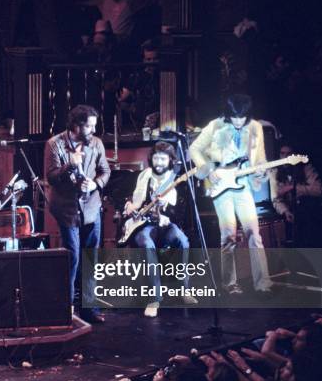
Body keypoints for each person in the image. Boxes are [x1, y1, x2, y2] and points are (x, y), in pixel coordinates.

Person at [189, 94, 273, 294]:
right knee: (228, 235)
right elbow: (194, 149)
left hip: (243, 183)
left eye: (242, 117)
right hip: (221, 186)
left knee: (254, 232)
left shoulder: (256, 128)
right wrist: (209, 170)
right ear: (228, 114)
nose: (238, 121)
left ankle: (263, 282)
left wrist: (262, 168)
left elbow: (259, 158)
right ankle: (229, 283)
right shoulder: (215, 126)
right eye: (234, 117)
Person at [45, 104, 111, 324]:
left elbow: (105, 170)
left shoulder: (97, 143)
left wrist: (95, 185)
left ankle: (89, 309)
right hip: (67, 208)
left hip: (91, 207)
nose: (93, 129)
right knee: (73, 256)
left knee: (90, 257)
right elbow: (52, 177)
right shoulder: (54, 144)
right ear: (76, 125)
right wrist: (69, 166)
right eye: (89, 125)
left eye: (94, 124)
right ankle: (66, 308)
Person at [123, 141, 197, 318]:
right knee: (147, 245)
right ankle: (154, 299)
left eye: (163, 159)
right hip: (144, 225)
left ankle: (184, 289)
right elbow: (128, 198)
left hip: (166, 224)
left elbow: (182, 214)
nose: (159, 163)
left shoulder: (177, 181)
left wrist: (167, 212)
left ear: (170, 160)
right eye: (156, 158)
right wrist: (129, 206)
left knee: (183, 241)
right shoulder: (143, 176)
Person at [269, 143, 322, 247]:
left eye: (289, 153)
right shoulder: (274, 172)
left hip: (309, 213)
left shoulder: (306, 168)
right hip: (290, 213)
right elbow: (276, 198)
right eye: (282, 153)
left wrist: (292, 187)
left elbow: (319, 190)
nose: (285, 157)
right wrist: (285, 211)